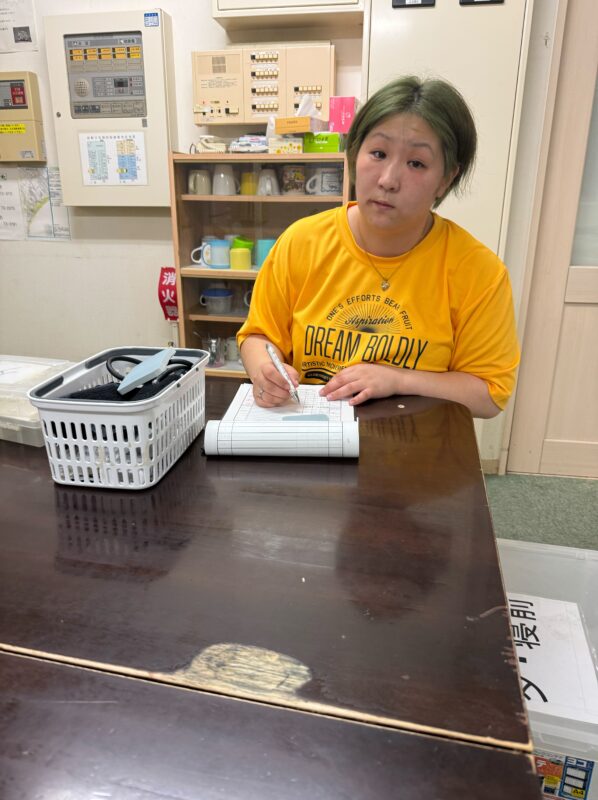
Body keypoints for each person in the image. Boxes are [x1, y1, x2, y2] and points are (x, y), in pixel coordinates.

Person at [237, 75, 520, 418]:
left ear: (446, 179)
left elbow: (489, 394)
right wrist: (263, 371)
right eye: (378, 153)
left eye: (416, 163)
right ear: (354, 154)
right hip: (311, 432)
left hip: (417, 440)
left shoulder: (478, 271)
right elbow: (258, 337)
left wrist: (398, 379)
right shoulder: (301, 242)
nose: (388, 180)